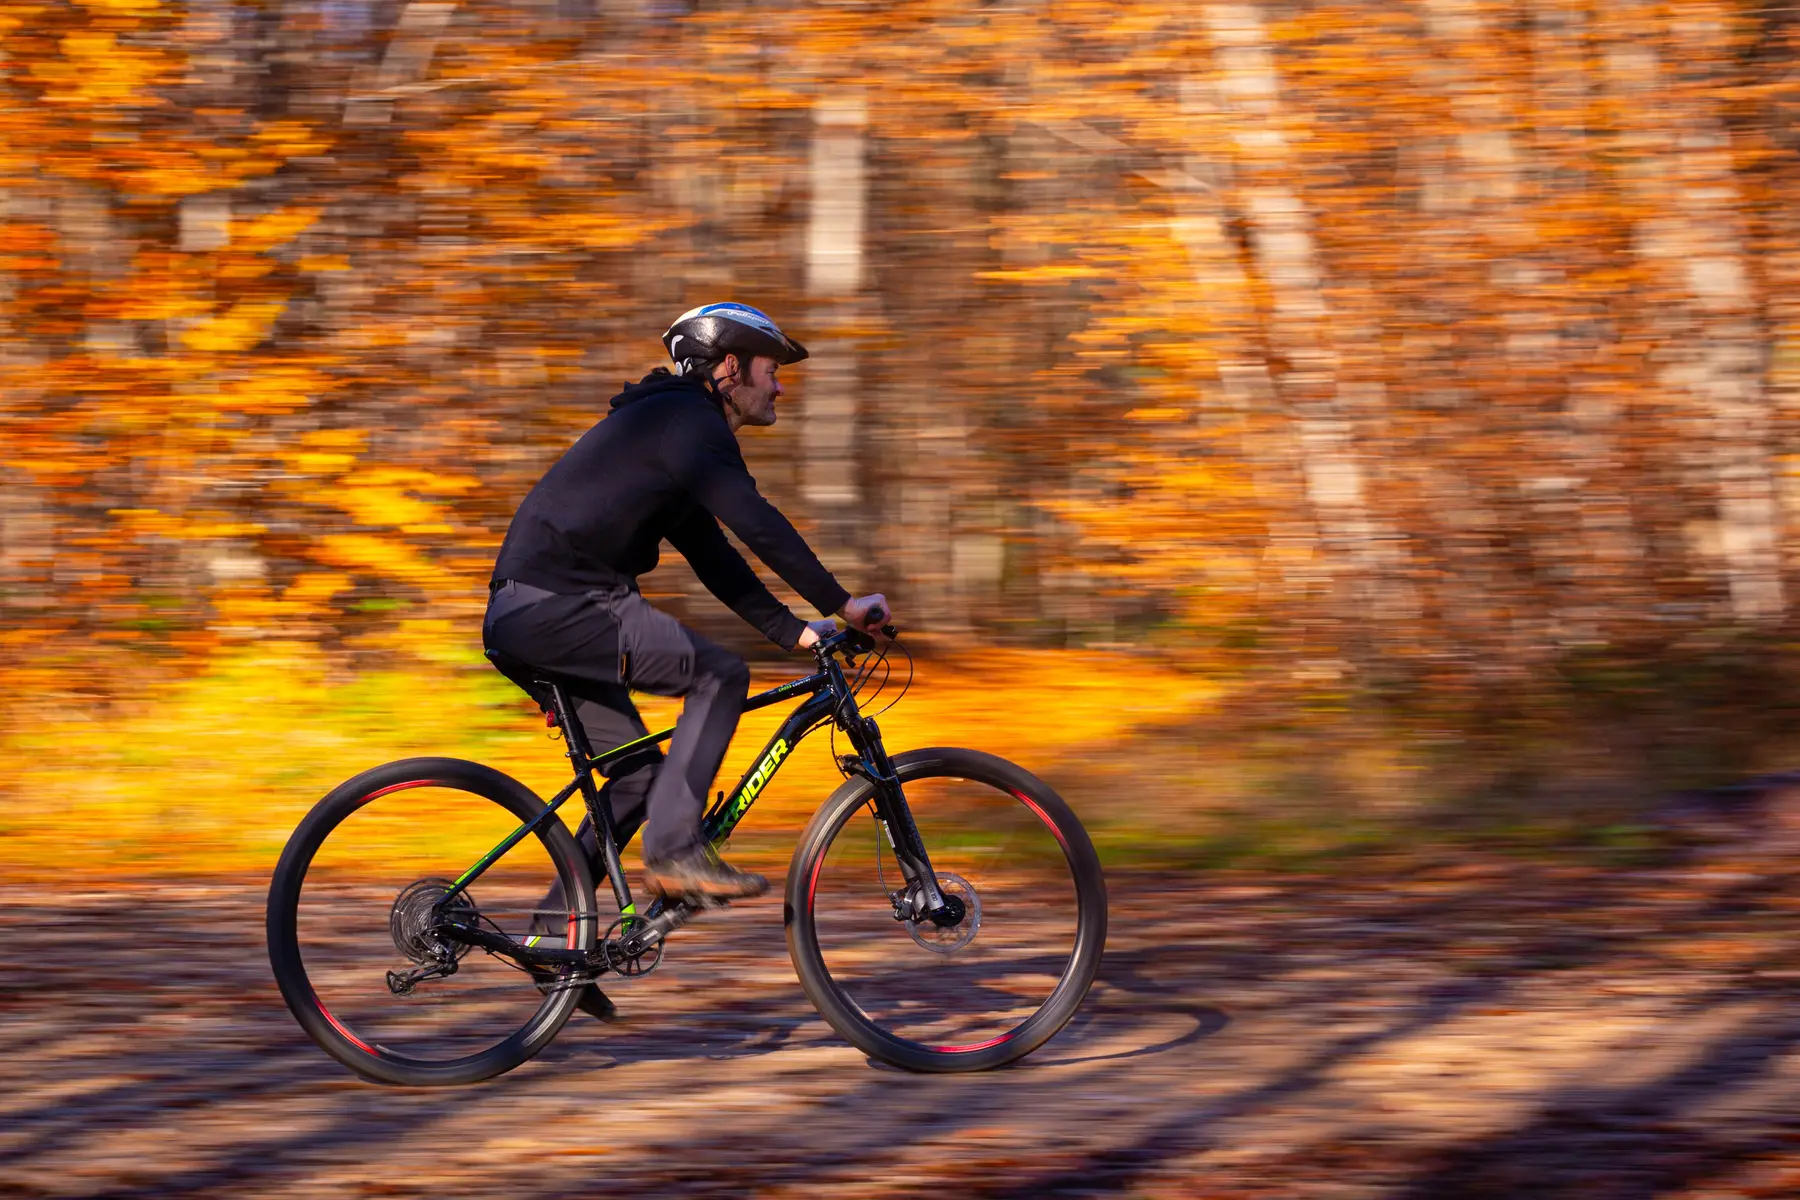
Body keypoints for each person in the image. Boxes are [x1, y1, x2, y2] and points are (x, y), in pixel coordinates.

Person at [482, 302, 889, 1019]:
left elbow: (716, 554)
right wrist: (844, 600)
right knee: (718, 674)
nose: (781, 387)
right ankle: (675, 855)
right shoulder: (686, 422)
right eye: (772, 370)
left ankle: (553, 938)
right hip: (563, 604)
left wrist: (795, 630)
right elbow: (757, 521)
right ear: (728, 367)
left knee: (639, 778)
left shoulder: (670, 432)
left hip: (531, 612)